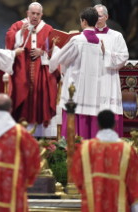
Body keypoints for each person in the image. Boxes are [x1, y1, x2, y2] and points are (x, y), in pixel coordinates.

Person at [49, 7, 104, 139]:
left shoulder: (77, 40)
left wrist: (55, 48)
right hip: (92, 92)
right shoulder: (99, 43)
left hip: (76, 90)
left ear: (84, 21)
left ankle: (70, 153)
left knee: (73, 121)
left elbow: (59, 59)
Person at [5, 2, 59, 136]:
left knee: (41, 97)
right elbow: (9, 41)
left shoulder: (48, 29)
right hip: (22, 70)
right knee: (20, 95)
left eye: (37, 14)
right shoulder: (18, 25)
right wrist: (21, 32)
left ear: (42, 15)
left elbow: (55, 50)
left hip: (40, 72)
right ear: (27, 13)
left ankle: (40, 133)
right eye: (32, 13)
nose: (35, 16)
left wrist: (42, 52)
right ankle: (20, 132)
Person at [71, 110, 138, 212]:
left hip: (92, 205)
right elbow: (133, 182)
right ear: (115, 124)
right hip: (119, 206)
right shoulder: (127, 150)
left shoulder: (85, 148)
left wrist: (89, 189)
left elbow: (76, 177)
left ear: (98, 124)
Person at [94, 4, 129, 137]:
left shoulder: (116, 36)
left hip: (109, 79)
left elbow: (123, 56)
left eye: (100, 16)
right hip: (93, 80)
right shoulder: (86, 35)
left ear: (107, 17)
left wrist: (106, 53)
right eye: (94, 16)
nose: (97, 19)